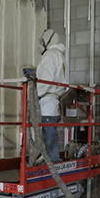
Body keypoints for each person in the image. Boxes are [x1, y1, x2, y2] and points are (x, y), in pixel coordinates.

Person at [36, 29, 67, 163]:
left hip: (47, 100)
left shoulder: (50, 55)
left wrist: (35, 93)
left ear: (47, 41)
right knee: (50, 131)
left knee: (49, 133)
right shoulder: (60, 55)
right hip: (55, 99)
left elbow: (46, 79)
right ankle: (48, 158)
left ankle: (53, 161)